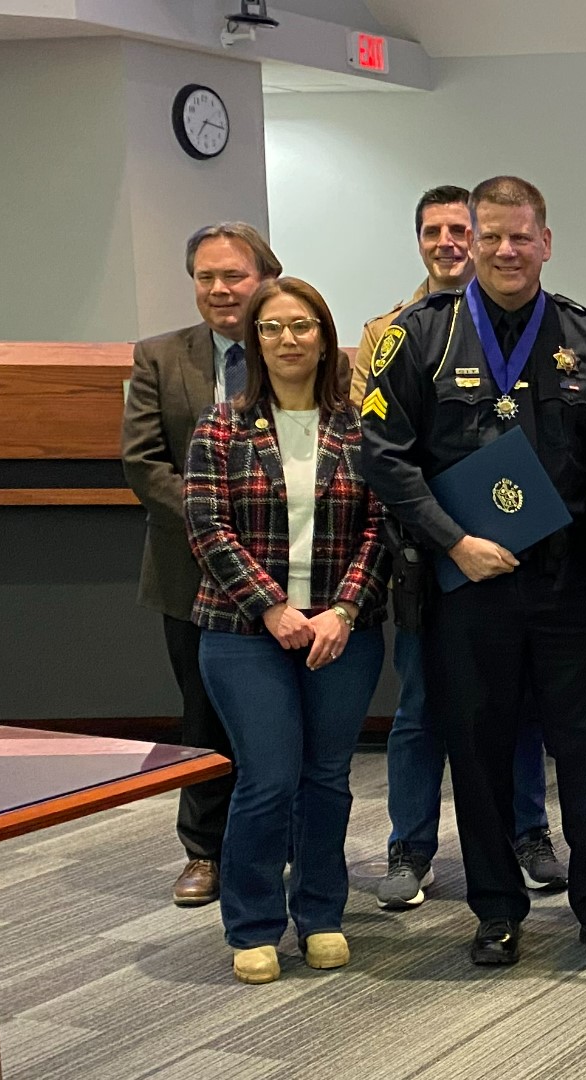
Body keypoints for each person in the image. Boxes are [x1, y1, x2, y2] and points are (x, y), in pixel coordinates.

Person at [359, 175, 586, 966]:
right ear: (470, 242)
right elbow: (384, 455)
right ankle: (495, 909)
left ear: (546, 241)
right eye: (491, 237)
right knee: (476, 750)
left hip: (569, 582)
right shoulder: (419, 336)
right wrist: (452, 539)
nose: (507, 250)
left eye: (523, 236)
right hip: (467, 582)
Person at [354, 185, 565, 911]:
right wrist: (452, 538)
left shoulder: (558, 331)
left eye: (459, 229)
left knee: (522, 710)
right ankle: (410, 846)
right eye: (441, 232)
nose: (454, 242)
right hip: (432, 564)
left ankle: (528, 833)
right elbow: (383, 454)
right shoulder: (399, 334)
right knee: (420, 712)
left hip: (527, 564)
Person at [184, 277, 391, 983]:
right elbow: (207, 527)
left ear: (325, 337)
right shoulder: (220, 427)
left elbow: (381, 528)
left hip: (343, 631)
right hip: (244, 631)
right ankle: (253, 922)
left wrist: (345, 611)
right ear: (254, 341)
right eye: (272, 329)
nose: (288, 340)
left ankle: (322, 913)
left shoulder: (361, 427)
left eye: (302, 326)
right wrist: (272, 606)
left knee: (327, 779)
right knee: (268, 778)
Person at [122, 222, 281, 906]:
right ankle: (205, 852)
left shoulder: (293, 343)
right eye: (206, 277)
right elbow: (141, 460)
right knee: (203, 715)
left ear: (265, 277)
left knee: (284, 717)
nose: (220, 290)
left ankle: (289, 849)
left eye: (233, 276)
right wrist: (214, 523)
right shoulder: (160, 357)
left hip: (285, 573)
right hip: (192, 571)